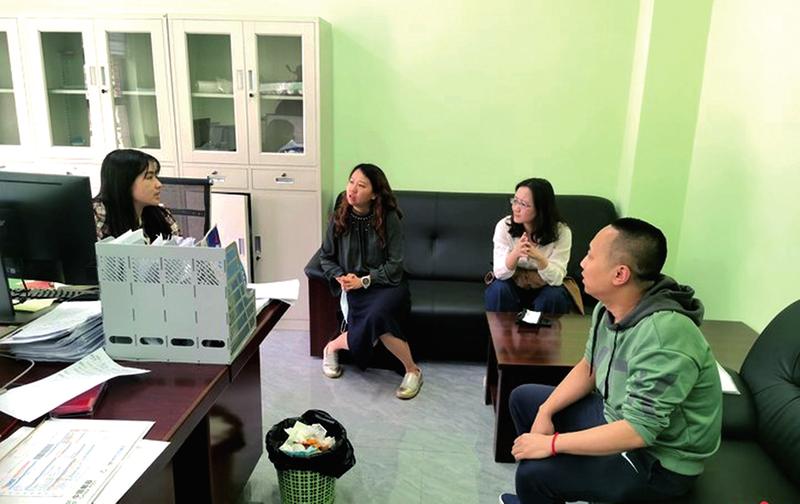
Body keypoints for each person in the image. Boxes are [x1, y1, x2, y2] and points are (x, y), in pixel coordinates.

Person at [498, 218, 722, 504]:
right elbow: (589, 367)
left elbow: (639, 431)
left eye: (591, 256)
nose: (582, 263)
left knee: (533, 475)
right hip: (614, 414)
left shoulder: (665, 335)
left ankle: (541, 489)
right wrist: (545, 411)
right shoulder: (609, 308)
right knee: (524, 399)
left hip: (657, 462)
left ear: (620, 274)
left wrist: (551, 444)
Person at [318, 163, 422, 400]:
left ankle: (334, 346)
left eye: (361, 185)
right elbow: (326, 257)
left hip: (387, 284)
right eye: (351, 182)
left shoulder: (389, 217)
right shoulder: (340, 215)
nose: (352, 189)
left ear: (374, 194)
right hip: (353, 285)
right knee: (378, 321)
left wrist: (364, 281)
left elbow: (395, 265)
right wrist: (340, 276)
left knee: (378, 316)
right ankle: (412, 369)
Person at [485, 178, 574, 314]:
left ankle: (543, 329)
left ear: (541, 208)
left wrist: (540, 258)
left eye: (524, 204)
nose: (516, 208)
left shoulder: (562, 232)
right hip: (512, 284)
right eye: (515, 201)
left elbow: (556, 279)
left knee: (554, 296)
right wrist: (515, 254)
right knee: (499, 289)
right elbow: (499, 273)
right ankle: (502, 329)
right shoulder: (504, 226)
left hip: (544, 286)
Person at [93, 149, 180, 241]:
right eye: (149, 177)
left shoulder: (161, 215)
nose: (159, 184)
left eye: (156, 176)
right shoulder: (97, 214)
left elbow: (179, 245)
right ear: (125, 182)